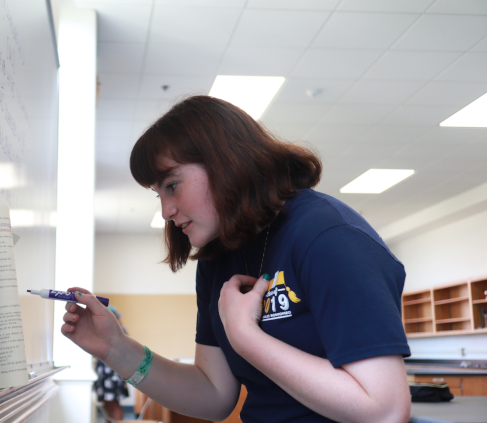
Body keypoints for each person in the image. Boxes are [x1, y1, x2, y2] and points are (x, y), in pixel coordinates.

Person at [61, 96, 411, 423]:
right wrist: (117, 349)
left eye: (171, 185)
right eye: (158, 194)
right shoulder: (220, 255)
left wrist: (246, 336)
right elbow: (214, 394)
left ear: (224, 163)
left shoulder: (328, 238)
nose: (166, 211)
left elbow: (384, 409)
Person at [93, 306, 129, 422]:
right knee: (107, 403)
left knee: (113, 403)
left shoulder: (119, 330)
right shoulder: (108, 329)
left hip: (112, 373)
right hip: (106, 372)